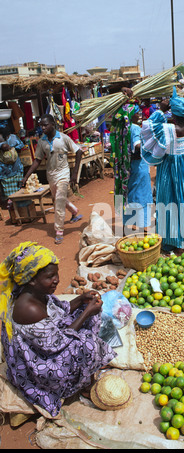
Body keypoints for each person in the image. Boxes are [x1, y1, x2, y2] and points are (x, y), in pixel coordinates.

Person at [0, 241, 116, 417]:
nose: (57, 280)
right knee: (86, 343)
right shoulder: (28, 308)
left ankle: (89, 365)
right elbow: (58, 342)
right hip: (39, 363)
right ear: (31, 280)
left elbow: (60, 311)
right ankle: (83, 386)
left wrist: (80, 300)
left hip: (50, 340)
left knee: (89, 316)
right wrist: (86, 312)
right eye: (50, 277)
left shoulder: (37, 293)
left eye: (56, 274)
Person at [140, 87, 184, 253]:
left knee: (169, 205)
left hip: (169, 175)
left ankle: (173, 242)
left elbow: (147, 126)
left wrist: (161, 109)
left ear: (174, 114)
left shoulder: (166, 130)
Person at [20, 114, 84, 245]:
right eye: (41, 125)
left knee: (58, 202)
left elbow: (78, 152)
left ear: (53, 124)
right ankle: (74, 211)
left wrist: (74, 174)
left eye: (45, 125)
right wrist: (26, 177)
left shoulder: (63, 138)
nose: (42, 128)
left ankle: (59, 231)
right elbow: (37, 160)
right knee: (57, 198)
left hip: (63, 174)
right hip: (51, 175)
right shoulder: (42, 141)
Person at [110, 104, 153, 233]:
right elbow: (137, 146)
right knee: (141, 196)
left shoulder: (119, 128)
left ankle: (125, 227)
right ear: (129, 115)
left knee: (127, 195)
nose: (139, 114)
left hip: (124, 167)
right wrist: (150, 145)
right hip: (138, 167)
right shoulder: (134, 128)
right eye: (136, 112)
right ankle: (141, 228)